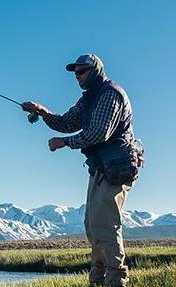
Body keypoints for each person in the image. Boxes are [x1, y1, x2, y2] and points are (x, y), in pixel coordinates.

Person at [21, 54, 141, 287]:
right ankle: (98, 278)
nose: (77, 76)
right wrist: (43, 111)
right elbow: (65, 122)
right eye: (75, 73)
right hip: (101, 167)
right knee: (91, 223)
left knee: (105, 223)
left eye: (82, 71)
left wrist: (64, 143)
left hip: (117, 166)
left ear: (95, 70)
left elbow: (99, 133)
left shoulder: (110, 94)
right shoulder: (87, 100)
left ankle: (116, 280)